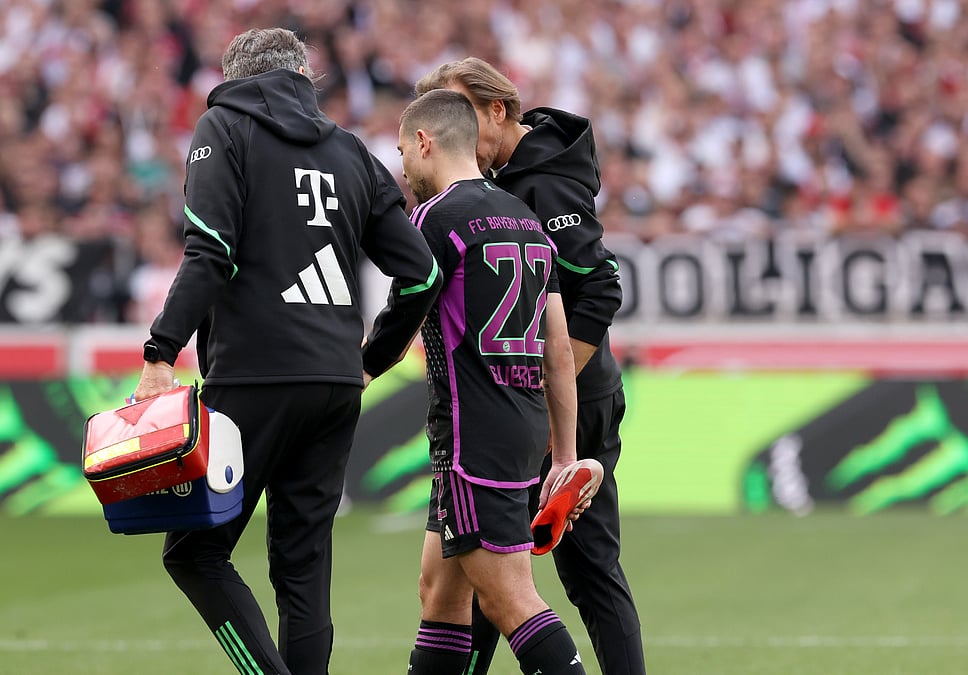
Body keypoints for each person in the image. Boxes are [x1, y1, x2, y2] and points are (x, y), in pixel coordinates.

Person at [131, 28, 441, 675]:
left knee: (194, 552)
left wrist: (161, 350)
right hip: (335, 381)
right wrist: (372, 358)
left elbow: (210, 251)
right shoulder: (352, 152)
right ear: (304, 75)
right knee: (303, 565)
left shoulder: (224, 128)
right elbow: (422, 275)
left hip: (254, 375)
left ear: (233, 77)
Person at [416, 58, 645, 674]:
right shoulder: (500, 179)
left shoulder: (545, 185)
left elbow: (600, 289)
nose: (457, 131)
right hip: (522, 401)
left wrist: (548, 396)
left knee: (582, 570)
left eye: (465, 113)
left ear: (497, 109)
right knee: (485, 571)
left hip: (566, 399)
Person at [364, 88, 587, 674]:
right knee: (440, 594)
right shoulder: (527, 221)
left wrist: (359, 369)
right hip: (520, 425)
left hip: (470, 439)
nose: (403, 168)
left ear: (424, 142)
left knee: (510, 597)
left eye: (402, 152)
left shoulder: (431, 220)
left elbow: (405, 310)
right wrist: (564, 453)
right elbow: (559, 350)